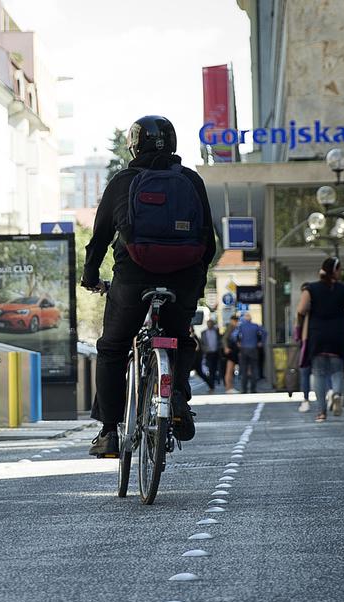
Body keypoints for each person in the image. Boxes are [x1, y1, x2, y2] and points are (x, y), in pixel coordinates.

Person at [82, 115, 217, 457]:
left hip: (133, 277)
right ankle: (177, 398)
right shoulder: (190, 180)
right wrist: (195, 282)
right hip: (183, 278)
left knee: (112, 348)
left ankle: (109, 432)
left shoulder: (124, 181)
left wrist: (90, 275)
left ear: (135, 145)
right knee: (180, 339)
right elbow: (208, 241)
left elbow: (98, 238)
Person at [298, 257, 344, 421]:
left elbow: (301, 310)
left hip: (317, 336)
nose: (341, 272)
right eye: (340, 269)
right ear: (334, 271)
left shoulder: (311, 289)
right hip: (337, 335)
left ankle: (321, 412)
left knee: (318, 374)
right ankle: (336, 394)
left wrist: (300, 328)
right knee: (337, 370)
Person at [233, 312, 266, 393]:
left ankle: (244, 389)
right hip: (253, 349)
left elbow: (234, 335)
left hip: (244, 349)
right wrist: (261, 342)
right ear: (251, 319)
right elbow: (264, 333)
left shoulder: (241, 326)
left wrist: (238, 342)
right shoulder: (255, 326)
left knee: (243, 369)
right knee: (254, 369)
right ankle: (253, 389)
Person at [197, 318, 221, 392]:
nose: (209, 325)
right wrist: (205, 349)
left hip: (216, 352)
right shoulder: (203, 332)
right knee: (210, 368)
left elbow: (219, 341)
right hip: (208, 353)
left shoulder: (216, 331)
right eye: (208, 323)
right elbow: (202, 343)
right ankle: (212, 383)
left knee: (215, 368)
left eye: (211, 323)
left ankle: (214, 381)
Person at [223, 314, 240, 393]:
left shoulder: (233, 328)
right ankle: (228, 388)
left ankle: (230, 387)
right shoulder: (230, 327)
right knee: (229, 370)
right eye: (236, 321)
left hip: (232, 350)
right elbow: (224, 338)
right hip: (230, 351)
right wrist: (226, 347)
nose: (237, 322)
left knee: (231, 370)